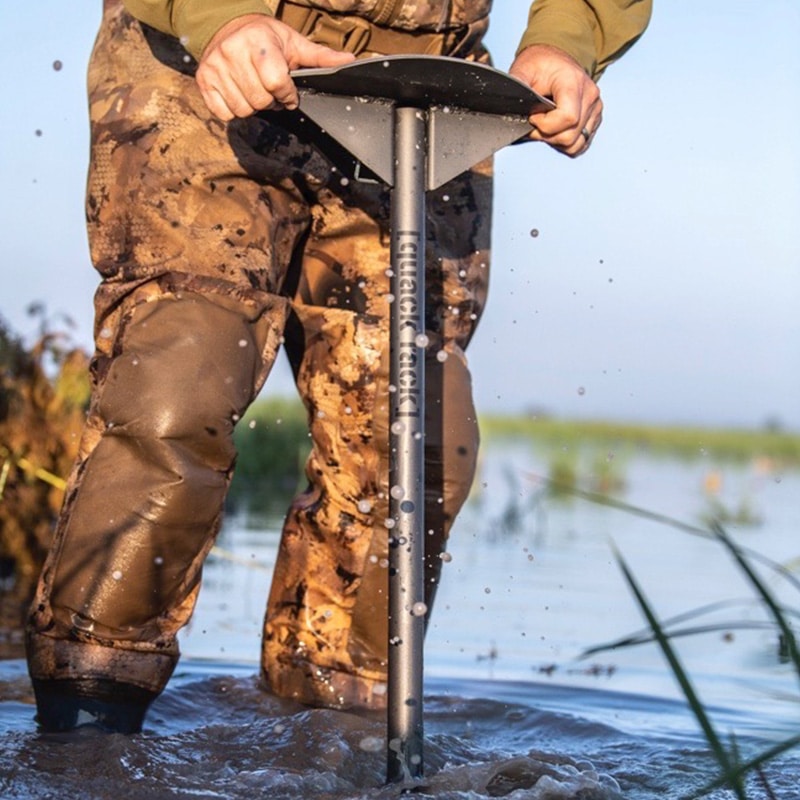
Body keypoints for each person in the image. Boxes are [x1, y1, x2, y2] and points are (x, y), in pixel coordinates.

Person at [26, 0, 651, 733]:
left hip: (421, 92)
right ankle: (84, 739)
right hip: (212, 57)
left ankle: (328, 741)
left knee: (415, 447)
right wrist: (219, 18)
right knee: (179, 389)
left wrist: (564, 40)